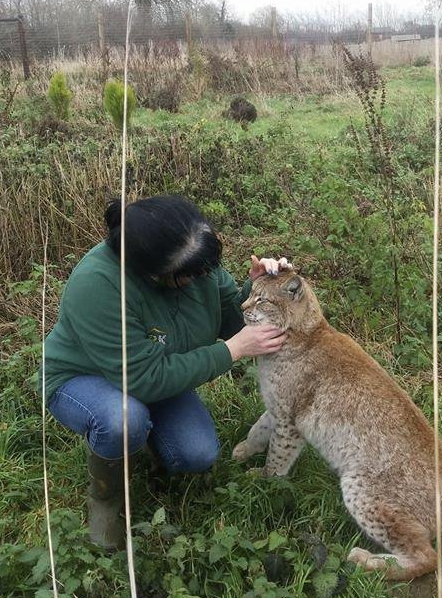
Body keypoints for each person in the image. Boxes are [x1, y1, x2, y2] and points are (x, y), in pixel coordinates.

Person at [39, 194, 290, 549]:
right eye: (193, 274)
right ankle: (106, 498)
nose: (205, 276)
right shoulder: (98, 285)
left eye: (207, 268)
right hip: (83, 377)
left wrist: (257, 288)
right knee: (123, 420)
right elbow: (141, 379)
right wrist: (232, 351)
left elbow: (233, 323)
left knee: (197, 454)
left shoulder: (194, 261)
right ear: (155, 272)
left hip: (156, 370)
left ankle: (145, 447)